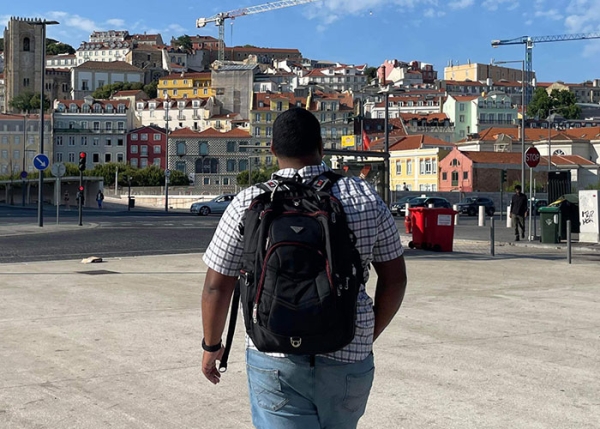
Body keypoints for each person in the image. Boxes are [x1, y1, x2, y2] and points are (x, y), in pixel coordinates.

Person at [201, 108, 408, 428]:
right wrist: (363, 335)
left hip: (274, 356)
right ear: (321, 148)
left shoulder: (248, 201)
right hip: (348, 356)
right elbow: (395, 280)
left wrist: (212, 346)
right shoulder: (363, 196)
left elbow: (217, 285)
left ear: (272, 151)